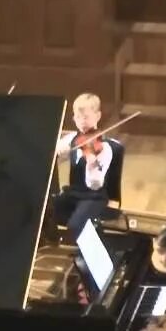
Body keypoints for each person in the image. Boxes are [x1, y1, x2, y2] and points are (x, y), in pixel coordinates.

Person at [53, 92, 118, 239]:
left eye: (86, 117)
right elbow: (54, 150)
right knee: (45, 210)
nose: (82, 121)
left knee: (76, 225)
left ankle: (86, 248)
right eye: (78, 117)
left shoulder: (104, 147)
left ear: (98, 116)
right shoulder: (72, 139)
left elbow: (95, 185)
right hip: (73, 193)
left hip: (93, 197)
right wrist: (55, 152)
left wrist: (91, 166)